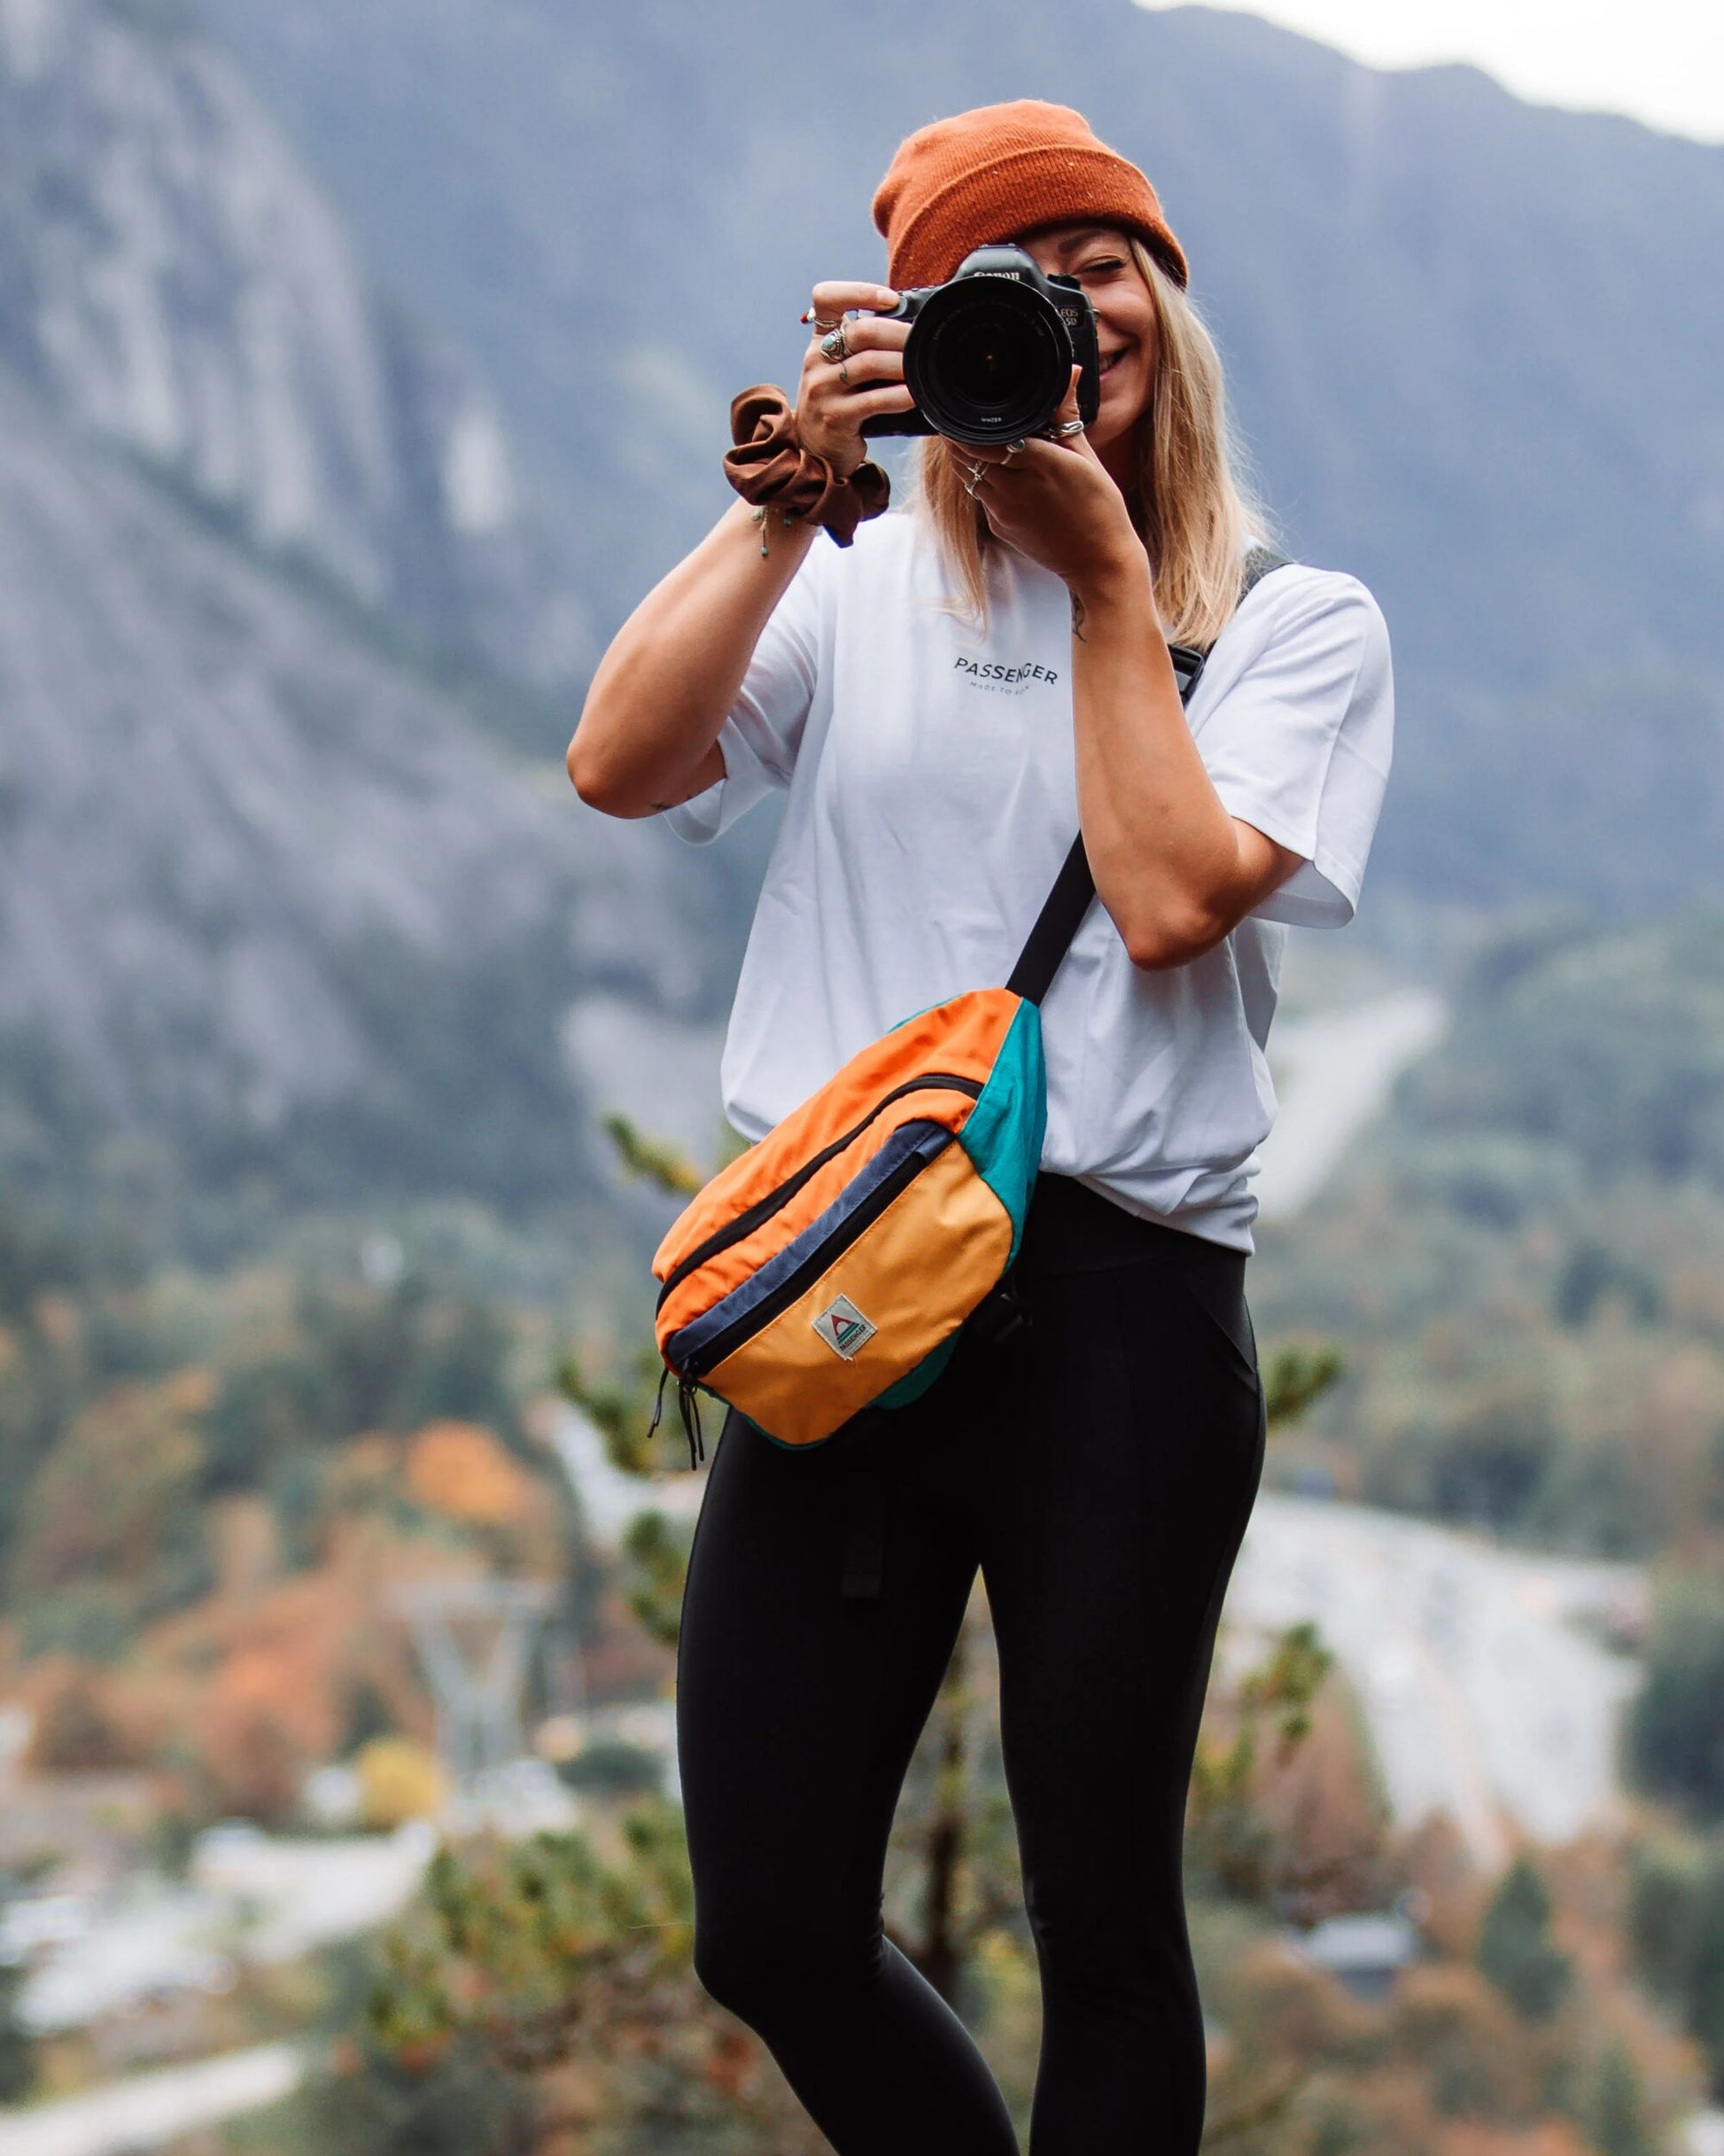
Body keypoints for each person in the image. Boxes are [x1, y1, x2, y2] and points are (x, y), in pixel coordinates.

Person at [571, 98, 1393, 2156]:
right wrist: (785, 507)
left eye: (1094, 262)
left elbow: (1169, 889)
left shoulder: (1292, 624)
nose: (1063, 312)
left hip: (1118, 1309)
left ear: (1162, 304)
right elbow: (619, 758)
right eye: (1001, 286)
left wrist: (1109, 578)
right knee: (766, 1915)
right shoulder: (850, 589)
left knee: (1102, 1923)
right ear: (921, 335)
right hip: (850, 1287)